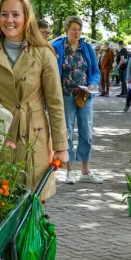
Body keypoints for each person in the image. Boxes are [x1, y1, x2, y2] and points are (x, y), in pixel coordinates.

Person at [0, 0, 70, 201]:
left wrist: (61, 147)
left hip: (33, 135)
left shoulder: (43, 52)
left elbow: (55, 103)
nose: (9, 20)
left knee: (31, 202)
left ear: (26, 18)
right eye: (4, 14)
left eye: (15, 14)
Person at [51, 17, 103, 185]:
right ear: (67, 30)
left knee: (86, 133)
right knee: (67, 133)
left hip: (85, 96)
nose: (77, 33)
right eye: (73, 29)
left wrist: (92, 83)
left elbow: (95, 71)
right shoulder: (58, 48)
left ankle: (85, 171)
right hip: (65, 96)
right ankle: (70, 171)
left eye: (79, 30)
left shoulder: (86, 48)